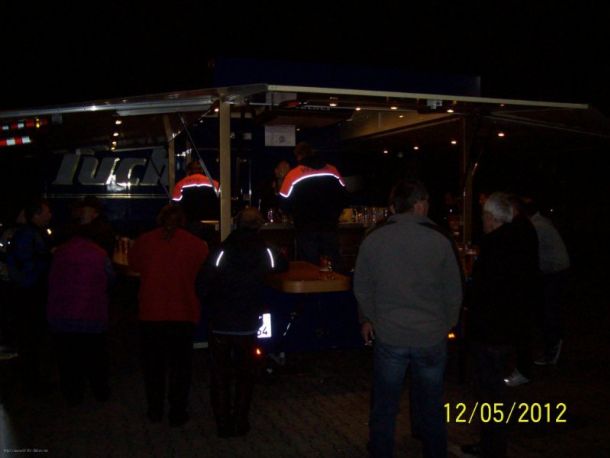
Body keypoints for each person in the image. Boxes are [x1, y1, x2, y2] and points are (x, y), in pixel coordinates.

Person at [354, 180, 463, 458]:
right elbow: (453, 289)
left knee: (385, 405)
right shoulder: (440, 239)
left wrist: (369, 318)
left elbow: (362, 286)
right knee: (432, 404)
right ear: (419, 205)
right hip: (431, 335)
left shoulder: (374, 238)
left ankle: (381, 450)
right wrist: (448, 323)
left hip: (390, 334)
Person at [199, 207, 288, 437]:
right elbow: (281, 265)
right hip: (248, 322)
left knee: (220, 375)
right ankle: (240, 421)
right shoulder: (265, 250)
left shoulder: (221, 250)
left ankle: (222, 424)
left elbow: (203, 282)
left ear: (236, 224)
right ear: (259, 226)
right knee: (245, 374)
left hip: (220, 321)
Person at [462, 192, 539, 457]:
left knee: (489, 391)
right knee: (494, 390)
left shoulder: (494, 247)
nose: (482, 220)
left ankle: (492, 445)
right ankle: (493, 443)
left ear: (492, 218)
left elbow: (482, 291)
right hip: (508, 327)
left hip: (490, 330)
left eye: (484, 216)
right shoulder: (519, 240)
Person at [129, 204, 209, 427]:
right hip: (183, 312)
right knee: (180, 367)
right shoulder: (195, 245)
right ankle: (177, 411)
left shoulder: (145, 241)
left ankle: (155, 409)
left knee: (153, 366)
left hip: (151, 312)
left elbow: (133, 264)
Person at [46, 225, 114, 405]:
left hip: (62, 314)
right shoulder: (99, 254)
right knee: (96, 357)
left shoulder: (60, 253)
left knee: (68, 359)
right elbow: (110, 279)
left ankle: (73, 395)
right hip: (92, 314)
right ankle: (100, 392)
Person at [6, 198, 53, 394]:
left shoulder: (28, 234)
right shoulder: (29, 235)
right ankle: (32, 381)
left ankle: (31, 379)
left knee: (31, 338)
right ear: (36, 214)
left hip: (27, 293)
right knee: (31, 338)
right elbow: (28, 265)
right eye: (46, 212)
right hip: (30, 295)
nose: (50, 215)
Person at [279, 142, 347, 270]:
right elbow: (344, 196)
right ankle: (336, 282)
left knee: (309, 267)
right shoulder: (332, 170)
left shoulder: (294, 174)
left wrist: (293, 214)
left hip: (306, 228)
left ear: (298, 156)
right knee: (333, 264)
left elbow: (283, 202)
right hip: (329, 226)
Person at [502, 194, 541, 387]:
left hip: (523, 286)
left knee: (522, 330)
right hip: (525, 284)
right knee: (521, 329)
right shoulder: (523, 226)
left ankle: (524, 370)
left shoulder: (519, 227)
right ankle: (522, 368)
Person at [526, 199, 570, 365]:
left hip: (554, 272)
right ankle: (552, 343)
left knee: (549, 310)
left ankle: (553, 347)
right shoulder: (541, 222)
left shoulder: (537, 226)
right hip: (554, 270)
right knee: (547, 309)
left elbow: (529, 252)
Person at [172, 159, 220, 241]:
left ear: (188, 171)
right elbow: (221, 202)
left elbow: (175, 204)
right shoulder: (215, 183)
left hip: (189, 224)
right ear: (202, 170)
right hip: (211, 223)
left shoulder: (180, 184)